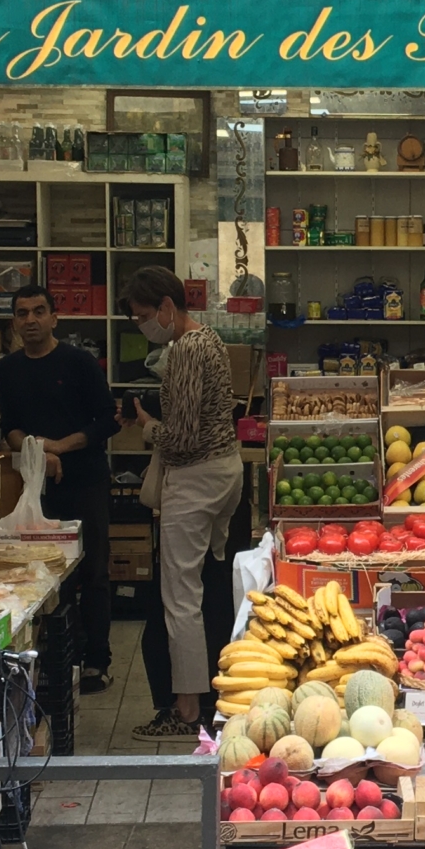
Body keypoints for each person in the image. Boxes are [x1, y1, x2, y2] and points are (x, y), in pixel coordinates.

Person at [120, 265, 243, 739]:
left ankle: (188, 709)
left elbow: (184, 439)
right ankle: (203, 694)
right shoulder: (207, 339)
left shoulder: (186, 350)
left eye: (143, 316)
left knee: (180, 598)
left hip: (196, 481)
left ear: (168, 308)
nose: (141, 326)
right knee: (205, 587)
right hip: (222, 472)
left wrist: (149, 428)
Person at [0, 286, 116, 693]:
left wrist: (61, 446)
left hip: (87, 481)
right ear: (14, 321)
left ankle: (97, 660)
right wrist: (37, 451)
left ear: (54, 318)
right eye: (22, 313)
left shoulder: (79, 362)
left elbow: (107, 421)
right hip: (38, 486)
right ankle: (61, 659)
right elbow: (9, 427)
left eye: (38, 311)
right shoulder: (7, 369)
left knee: (93, 572)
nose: (30, 320)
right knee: (45, 575)